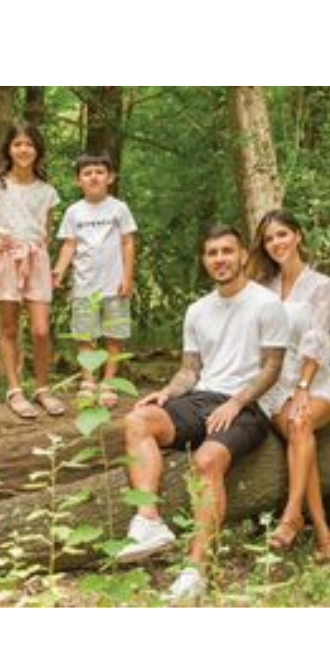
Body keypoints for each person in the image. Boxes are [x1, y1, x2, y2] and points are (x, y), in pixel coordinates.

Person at [119, 224, 290, 602]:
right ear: (205, 260)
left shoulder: (266, 304)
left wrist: (237, 401)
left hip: (248, 407)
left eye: (227, 251)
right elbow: (190, 370)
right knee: (137, 420)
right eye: (212, 254)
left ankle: (195, 571)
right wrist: (166, 392)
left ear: (243, 254)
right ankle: (148, 521)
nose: (220, 260)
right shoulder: (198, 310)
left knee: (207, 459)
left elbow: (272, 367)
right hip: (201, 397)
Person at [248, 210, 330, 562]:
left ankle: (291, 516)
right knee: (299, 433)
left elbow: (316, 338)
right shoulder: (260, 288)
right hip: (274, 386)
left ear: (298, 236)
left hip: (314, 380)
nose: (276, 243)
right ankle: (322, 533)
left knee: (301, 422)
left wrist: (303, 386)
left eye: (282, 235)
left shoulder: (320, 285)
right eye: (269, 239)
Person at [0, 121, 66, 419]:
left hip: (37, 260)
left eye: (29, 144)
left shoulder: (47, 191)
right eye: (17, 144)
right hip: (7, 259)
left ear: (37, 150)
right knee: (8, 328)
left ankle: (42, 389)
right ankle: (15, 391)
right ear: (8, 148)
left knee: (41, 330)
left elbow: (45, 228)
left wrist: (43, 255)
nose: (23, 149)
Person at [52, 154, 137, 409]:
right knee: (84, 336)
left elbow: (128, 242)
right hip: (84, 285)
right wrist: (58, 270)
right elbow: (69, 244)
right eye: (87, 173)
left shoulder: (118, 208)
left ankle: (109, 383)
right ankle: (88, 382)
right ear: (79, 180)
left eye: (99, 172)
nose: (94, 177)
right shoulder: (73, 211)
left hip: (114, 284)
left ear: (110, 177)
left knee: (114, 335)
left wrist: (128, 277)